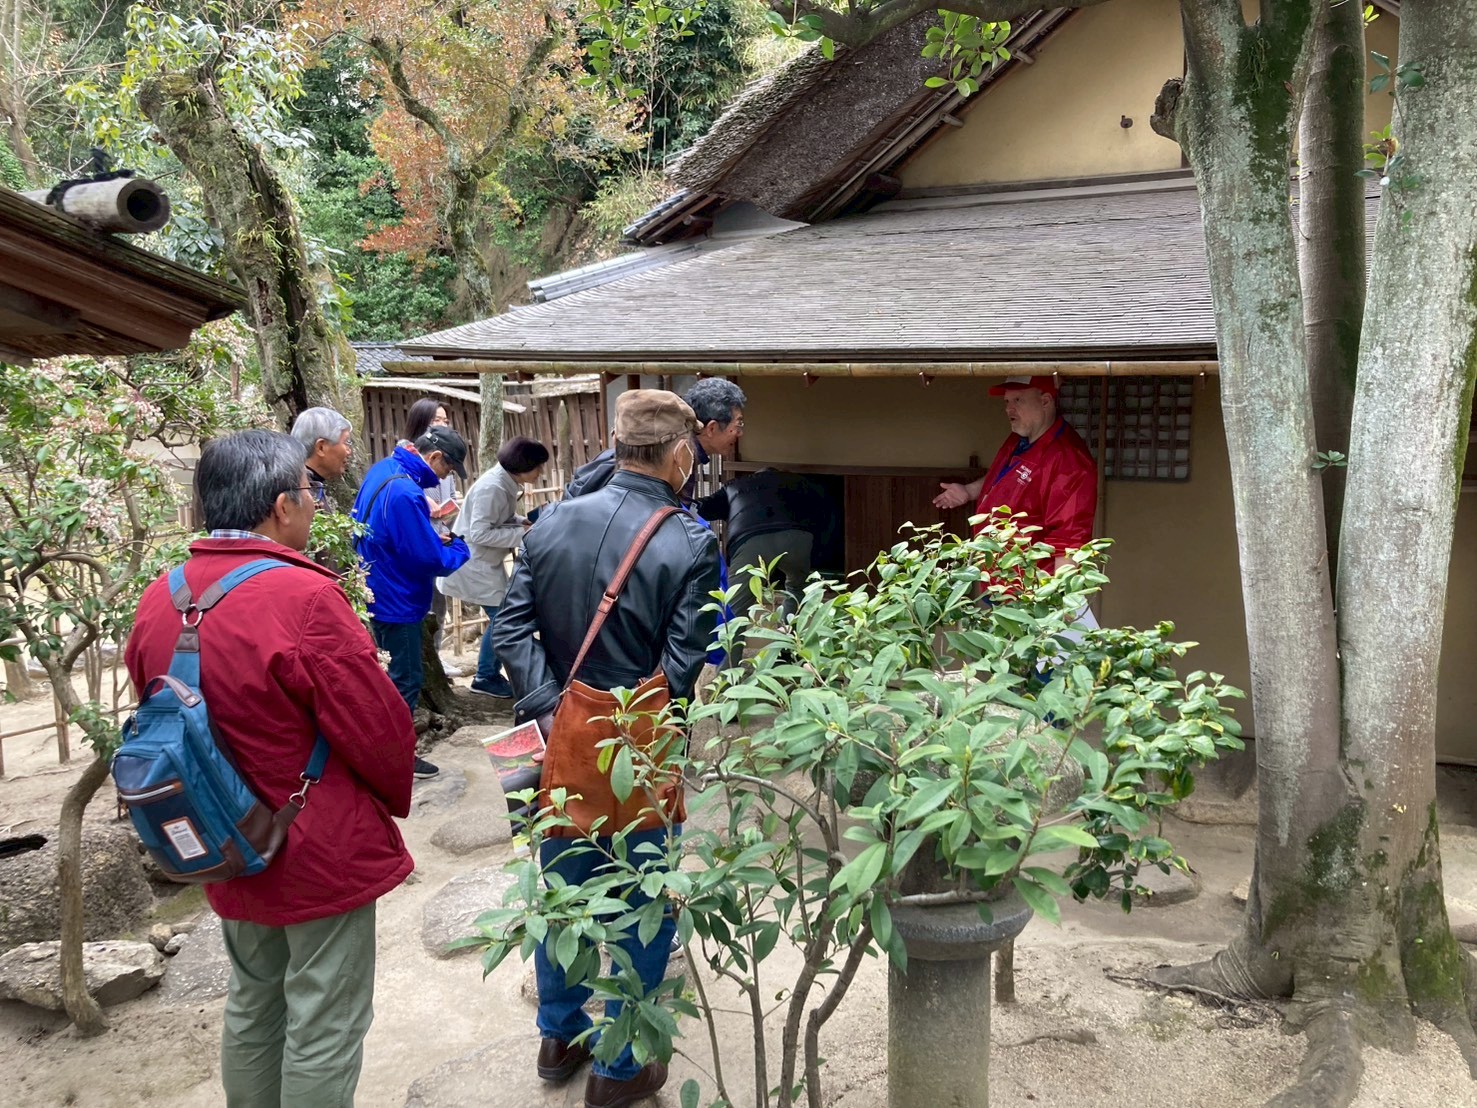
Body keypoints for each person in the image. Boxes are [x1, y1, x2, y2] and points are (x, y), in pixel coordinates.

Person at [124, 429, 416, 1107]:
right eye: (310, 492)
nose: (314, 504)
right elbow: (377, 730)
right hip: (312, 840)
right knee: (324, 1017)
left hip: (221, 835)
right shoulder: (303, 597)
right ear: (283, 505)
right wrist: (386, 796)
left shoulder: (160, 596)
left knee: (254, 1000)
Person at [492, 390, 721, 1108]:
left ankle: (558, 1037)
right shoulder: (689, 542)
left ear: (617, 446)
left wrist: (551, 706)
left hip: (558, 738)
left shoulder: (551, 522)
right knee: (641, 894)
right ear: (679, 455)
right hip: (638, 744)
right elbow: (681, 666)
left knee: (561, 887)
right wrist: (634, 720)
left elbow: (508, 631)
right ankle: (620, 1069)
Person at [353, 425, 471, 778]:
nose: (445, 477)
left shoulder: (384, 470)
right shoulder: (406, 492)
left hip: (378, 585)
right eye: (447, 468)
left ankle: (383, 752)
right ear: (434, 457)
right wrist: (458, 547)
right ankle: (395, 759)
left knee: (392, 678)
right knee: (404, 681)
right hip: (397, 598)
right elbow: (428, 558)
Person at [933, 375, 1097, 576]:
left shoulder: (1068, 460)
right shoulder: (1020, 437)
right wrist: (969, 491)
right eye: (1007, 401)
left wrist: (1058, 593)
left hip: (1030, 583)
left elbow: (1069, 541)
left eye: (1018, 400)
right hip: (999, 576)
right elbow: (1005, 478)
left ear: (1045, 401)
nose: (1008, 409)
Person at [439, 435, 549, 699]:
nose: (540, 472)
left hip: (485, 563)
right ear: (523, 465)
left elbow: (500, 517)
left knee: (502, 617)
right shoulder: (493, 487)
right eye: (538, 466)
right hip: (474, 564)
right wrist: (525, 534)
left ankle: (487, 673)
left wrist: (521, 521)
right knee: (503, 619)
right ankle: (485, 676)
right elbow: (480, 532)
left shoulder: (504, 481)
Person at [563, 377, 747, 503]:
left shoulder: (687, 460)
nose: (740, 433)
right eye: (738, 424)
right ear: (712, 428)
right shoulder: (670, 462)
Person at [695, 468, 832, 621]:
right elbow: (823, 510)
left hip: (750, 540)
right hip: (796, 538)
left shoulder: (735, 485)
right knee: (796, 589)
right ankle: (789, 634)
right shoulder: (801, 482)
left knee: (734, 607)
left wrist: (686, 502)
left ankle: (731, 636)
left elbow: (706, 508)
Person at [289, 407, 353, 490]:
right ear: (321, 448)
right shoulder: (297, 493)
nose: (349, 451)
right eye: (346, 442)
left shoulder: (295, 484)